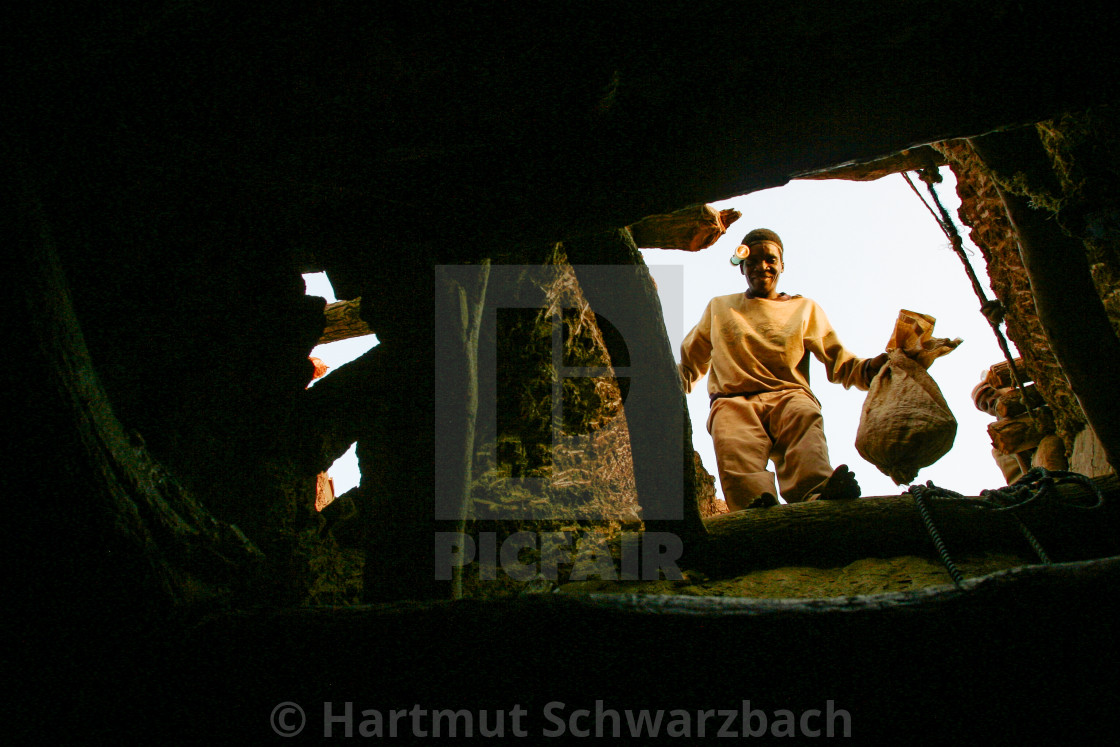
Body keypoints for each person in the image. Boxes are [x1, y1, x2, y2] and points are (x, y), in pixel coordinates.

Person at [679, 228, 888, 510]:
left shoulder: (804, 309)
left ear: (781, 265)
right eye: (750, 261)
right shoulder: (720, 308)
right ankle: (755, 508)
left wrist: (869, 370)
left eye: (770, 260)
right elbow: (690, 364)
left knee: (805, 429)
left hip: (790, 395)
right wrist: (654, 387)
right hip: (733, 400)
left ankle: (818, 497)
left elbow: (839, 361)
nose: (761, 267)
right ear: (741, 268)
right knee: (737, 454)